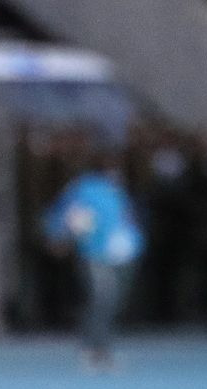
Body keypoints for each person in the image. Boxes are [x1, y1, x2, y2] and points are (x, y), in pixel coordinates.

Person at [42, 144, 144, 370]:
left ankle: (102, 346)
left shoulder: (116, 190)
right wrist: (59, 235)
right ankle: (94, 348)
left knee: (113, 300)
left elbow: (126, 218)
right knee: (103, 298)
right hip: (94, 253)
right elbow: (66, 213)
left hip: (121, 254)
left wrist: (135, 243)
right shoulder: (83, 188)